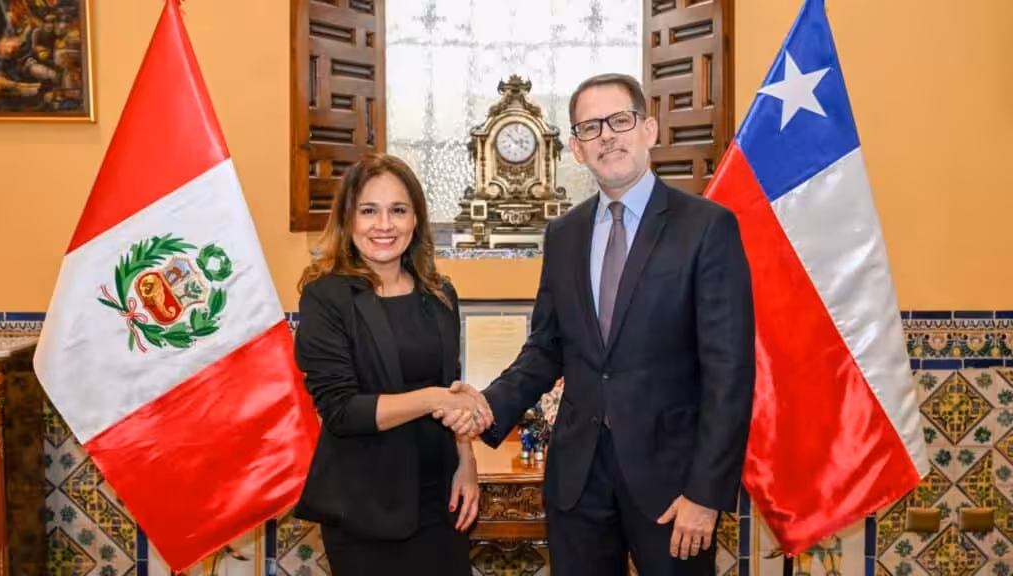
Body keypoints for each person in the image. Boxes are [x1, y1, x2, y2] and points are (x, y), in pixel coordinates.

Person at [440, 73, 756, 575]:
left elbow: (730, 372)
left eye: (620, 120)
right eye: (590, 127)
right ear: (576, 148)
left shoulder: (707, 227)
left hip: (672, 485)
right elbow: (546, 349)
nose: (607, 136)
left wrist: (706, 492)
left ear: (649, 129)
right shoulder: (563, 234)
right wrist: (486, 407)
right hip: (578, 482)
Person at [292, 153, 493, 576]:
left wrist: (466, 461)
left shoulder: (440, 294)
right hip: (366, 509)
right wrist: (433, 398)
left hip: (442, 501)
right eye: (369, 211)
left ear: (416, 219)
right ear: (348, 220)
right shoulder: (325, 297)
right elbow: (342, 411)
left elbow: (450, 386)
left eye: (398, 210)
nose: (384, 225)